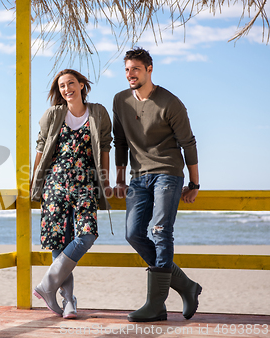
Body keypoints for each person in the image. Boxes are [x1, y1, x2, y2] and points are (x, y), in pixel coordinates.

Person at [112, 47, 202, 322]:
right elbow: (121, 141)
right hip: (138, 176)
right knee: (133, 233)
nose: (130, 74)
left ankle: (156, 304)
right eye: (127, 69)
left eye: (135, 69)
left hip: (167, 172)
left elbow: (188, 144)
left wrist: (195, 183)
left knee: (161, 230)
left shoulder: (170, 103)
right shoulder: (120, 101)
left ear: (149, 70)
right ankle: (186, 285)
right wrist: (119, 177)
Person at [31, 69, 112, 319]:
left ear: (81, 85)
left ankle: (47, 284)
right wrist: (35, 181)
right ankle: (68, 301)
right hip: (55, 184)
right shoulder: (53, 114)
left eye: (71, 83)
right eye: (62, 86)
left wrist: (106, 181)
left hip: (86, 183)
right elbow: (42, 148)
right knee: (60, 243)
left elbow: (105, 148)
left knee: (87, 236)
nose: (67, 89)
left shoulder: (97, 112)